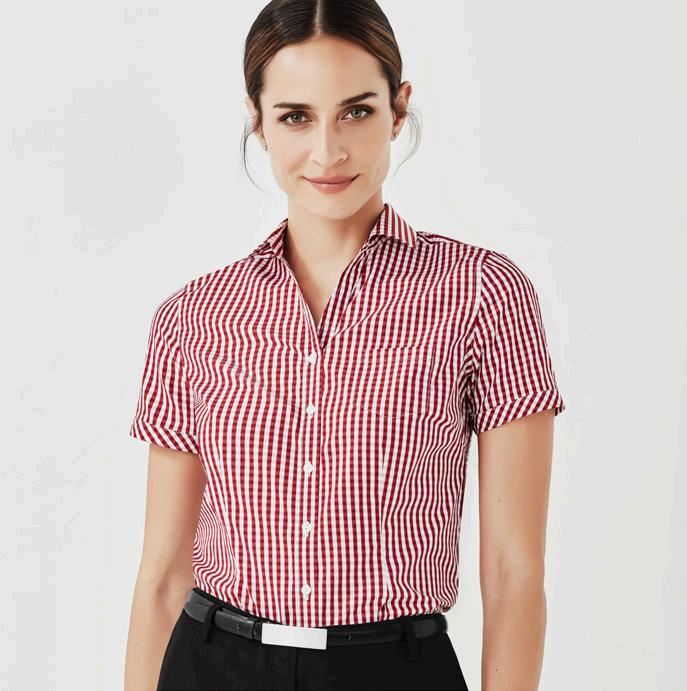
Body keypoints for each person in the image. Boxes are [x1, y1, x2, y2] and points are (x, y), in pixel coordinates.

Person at [123, 1, 566, 689]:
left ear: (398, 109)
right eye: (295, 116)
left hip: (395, 670)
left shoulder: (482, 294)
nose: (328, 151)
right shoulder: (193, 316)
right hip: (212, 665)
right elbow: (161, 577)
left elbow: (514, 571)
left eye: (356, 111)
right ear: (257, 120)